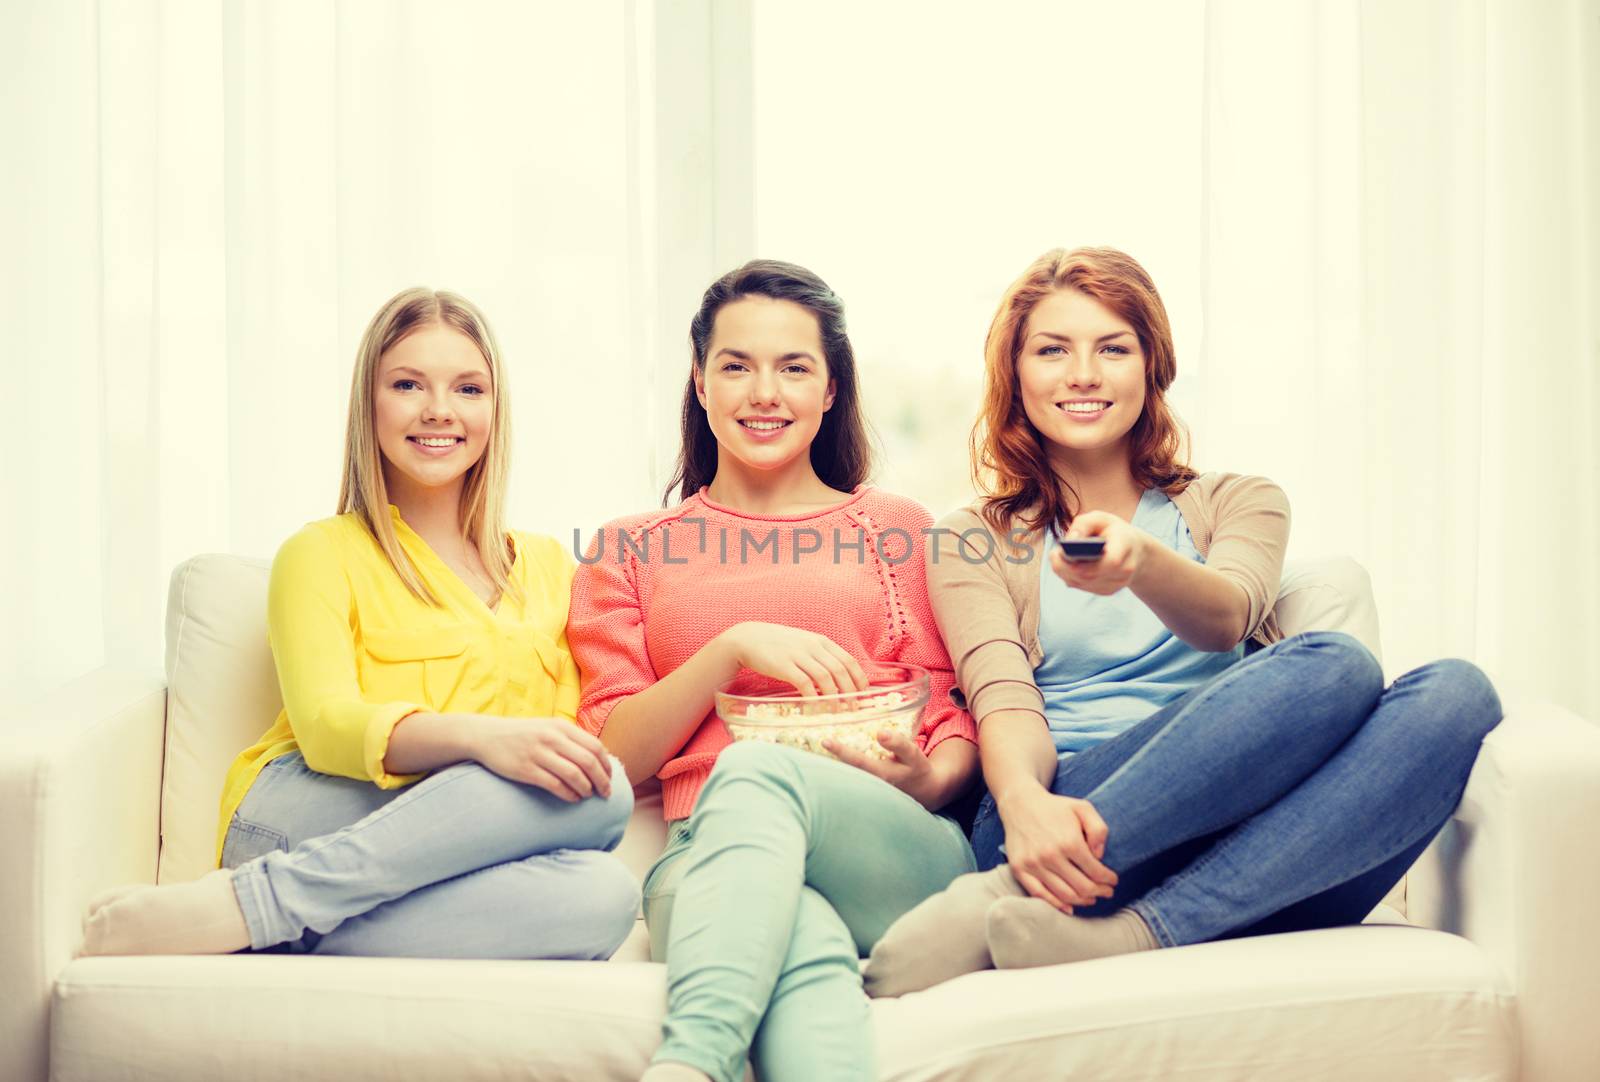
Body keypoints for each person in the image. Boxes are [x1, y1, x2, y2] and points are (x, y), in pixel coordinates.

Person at [863, 247, 1502, 995]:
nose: (1082, 374)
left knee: (1458, 692)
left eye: (1113, 348)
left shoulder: (1241, 500)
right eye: (1052, 350)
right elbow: (1005, 698)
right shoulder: (972, 533)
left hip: (1257, 851)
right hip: (1065, 829)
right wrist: (1027, 807)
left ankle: (1138, 935)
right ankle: (1013, 888)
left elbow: (1228, 619)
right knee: (1340, 666)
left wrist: (1141, 563)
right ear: (1015, 374)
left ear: (1152, 365)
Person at [79, 288, 638, 960]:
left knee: (603, 887)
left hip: (454, 835)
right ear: (369, 404)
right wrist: (483, 740)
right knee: (599, 793)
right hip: (314, 810)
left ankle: (256, 919)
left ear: (496, 409)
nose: (439, 410)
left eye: (468, 388)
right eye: (407, 384)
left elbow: (563, 759)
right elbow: (325, 728)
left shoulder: (549, 564)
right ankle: (265, 898)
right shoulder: (321, 552)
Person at [566, 260, 979, 1082]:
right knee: (803, 947)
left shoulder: (896, 529)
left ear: (830, 389)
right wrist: (731, 650)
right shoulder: (629, 548)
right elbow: (614, 757)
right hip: (703, 853)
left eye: (794, 368)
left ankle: (693, 1062)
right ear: (700, 380)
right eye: (737, 365)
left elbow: (955, 719)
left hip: (888, 840)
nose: (765, 392)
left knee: (757, 771)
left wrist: (929, 781)